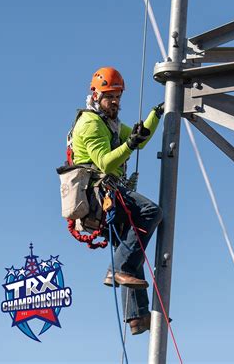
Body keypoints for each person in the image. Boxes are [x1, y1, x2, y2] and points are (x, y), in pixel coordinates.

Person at [69, 67, 164, 335]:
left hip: (107, 194)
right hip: (99, 194)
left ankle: (137, 317)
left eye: (118, 97)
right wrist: (130, 145)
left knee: (132, 249)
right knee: (150, 212)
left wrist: (155, 115)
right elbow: (105, 163)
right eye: (110, 97)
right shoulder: (90, 123)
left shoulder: (108, 122)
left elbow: (140, 140)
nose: (115, 103)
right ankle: (116, 269)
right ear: (96, 95)